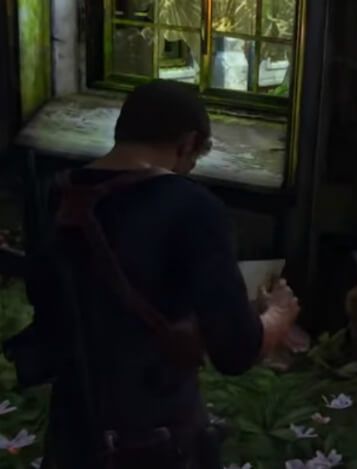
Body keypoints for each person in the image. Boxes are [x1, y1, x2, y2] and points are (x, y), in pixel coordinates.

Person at [20, 80, 300, 468]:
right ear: (187, 143)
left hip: (74, 433)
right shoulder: (196, 208)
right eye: (194, 158)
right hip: (156, 438)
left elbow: (49, 298)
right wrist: (278, 314)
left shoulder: (57, 194)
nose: (188, 169)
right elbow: (236, 350)